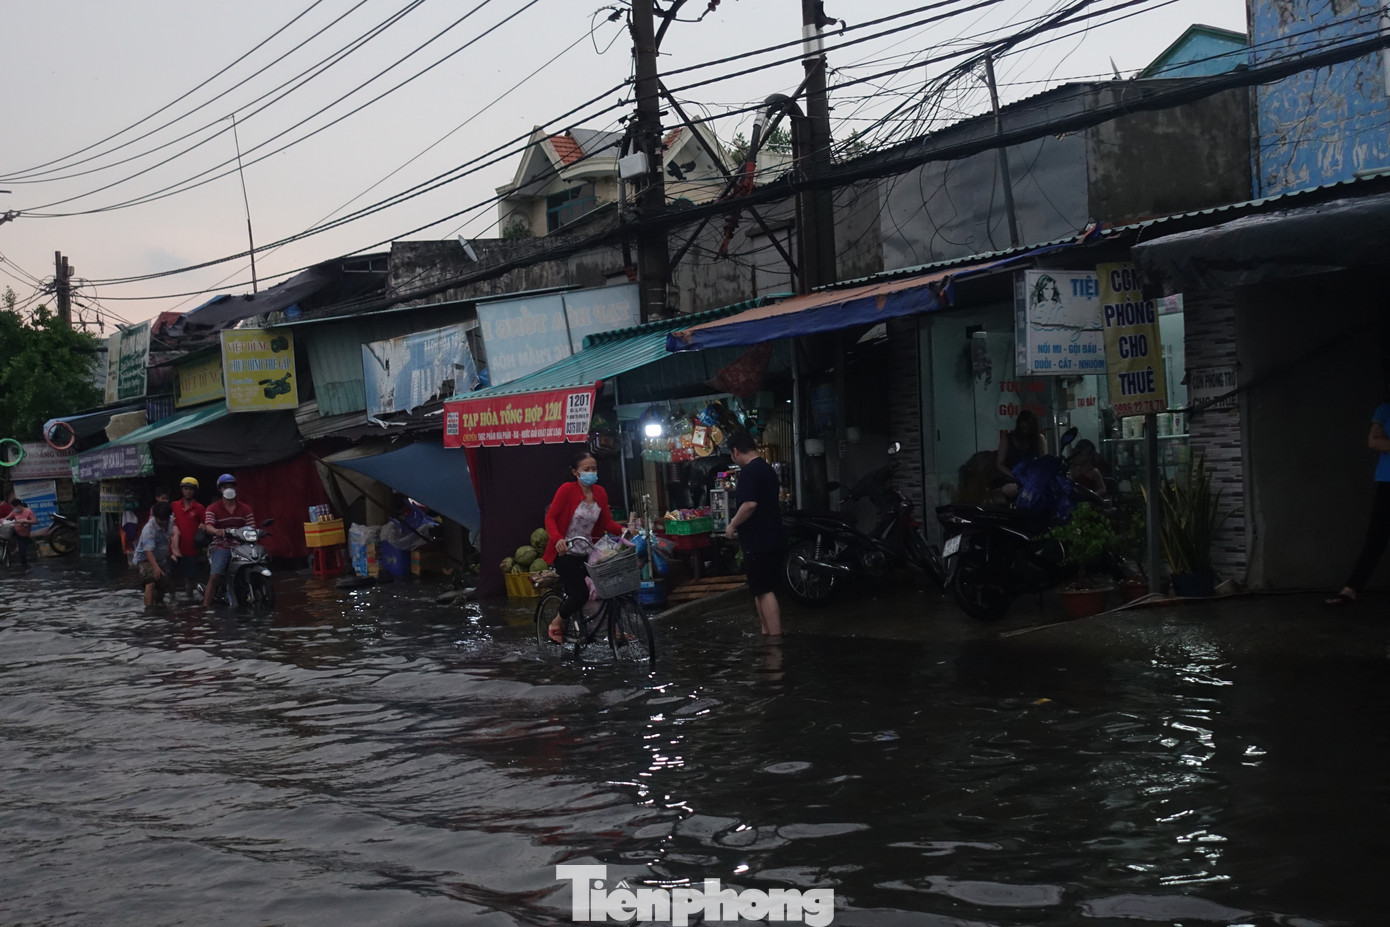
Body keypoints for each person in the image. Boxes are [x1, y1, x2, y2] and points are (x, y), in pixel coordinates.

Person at [541, 452, 628, 643]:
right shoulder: (566, 490)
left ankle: (614, 629)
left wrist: (625, 530)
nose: (591, 473)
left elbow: (608, 522)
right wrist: (558, 539)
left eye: (594, 469)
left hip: (590, 550)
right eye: (586, 469)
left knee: (611, 587)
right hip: (566, 551)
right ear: (575, 472)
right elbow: (551, 518)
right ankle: (556, 622)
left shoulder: (600, 492)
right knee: (579, 593)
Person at [1326, 402, 1390, 606]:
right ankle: (1351, 589)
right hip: (1387, 480)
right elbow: (1373, 441)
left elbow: (1381, 442)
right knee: (1376, 536)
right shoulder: (1385, 410)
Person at [723, 431, 784, 637]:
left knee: (764, 590)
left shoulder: (749, 471)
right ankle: (766, 633)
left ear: (735, 451)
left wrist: (732, 525)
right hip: (770, 536)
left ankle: (774, 639)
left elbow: (749, 505)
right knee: (759, 589)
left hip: (759, 540)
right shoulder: (766, 469)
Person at [203, 473, 255, 607]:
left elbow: (251, 527)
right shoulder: (212, 508)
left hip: (242, 547)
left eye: (231, 486)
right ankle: (205, 607)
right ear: (220, 489)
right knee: (215, 576)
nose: (228, 489)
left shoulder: (245, 508)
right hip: (222, 546)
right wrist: (215, 531)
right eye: (225, 486)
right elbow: (208, 525)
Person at [995, 409, 1048, 500]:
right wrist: (1015, 476)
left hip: (1033, 480)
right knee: (1009, 490)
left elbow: (1044, 462)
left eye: (1028, 429)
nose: (1025, 432)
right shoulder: (1008, 439)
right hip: (1013, 478)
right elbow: (1000, 464)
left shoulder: (1039, 439)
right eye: (1023, 428)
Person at [170, 477, 206, 600]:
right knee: (171, 575)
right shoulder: (174, 505)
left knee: (190, 576)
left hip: (191, 548)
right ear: (182, 490)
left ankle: (189, 598)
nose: (188, 492)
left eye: (191, 489)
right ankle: (172, 597)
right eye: (186, 489)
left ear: (195, 491)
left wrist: (203, 526)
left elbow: (206, 523)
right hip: (174, 548)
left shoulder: (200, 508)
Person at [135, 501, 177, 606]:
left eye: (165, 520)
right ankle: (148, 610)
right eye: (160, 520)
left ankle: (158, 606)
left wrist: (171, 552)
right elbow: (148, 552)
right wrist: (156, 568)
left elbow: (173, 535)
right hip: (145, 559)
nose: (163, 522)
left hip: (161, 557)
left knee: (162, 585)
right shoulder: (149, 530)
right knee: (151, 582)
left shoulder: (171, 521)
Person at [9, 498, 37, 566]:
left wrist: (25, 520)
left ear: (19, 505)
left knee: (22, 551)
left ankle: (24, 565)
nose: (15, 509)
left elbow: (35, 521)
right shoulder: (15, 511)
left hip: (24, 533)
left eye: (15, 507)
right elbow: (8, 517)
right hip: (16, 531)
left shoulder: (28, 511)